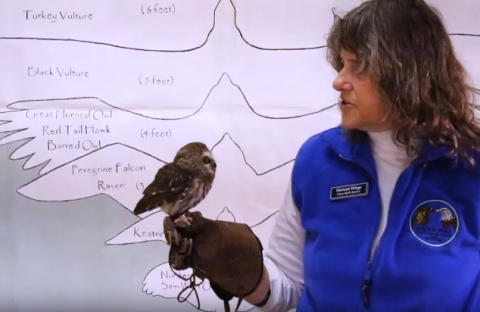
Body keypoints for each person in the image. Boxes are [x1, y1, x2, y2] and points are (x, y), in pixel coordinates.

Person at [164, 0, 480, 311]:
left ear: (407, 72)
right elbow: (288, 286)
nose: (339, 80)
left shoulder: (469, 165)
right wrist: (241, 268)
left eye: (358, 67)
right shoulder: (318, 160)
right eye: (342, 64)